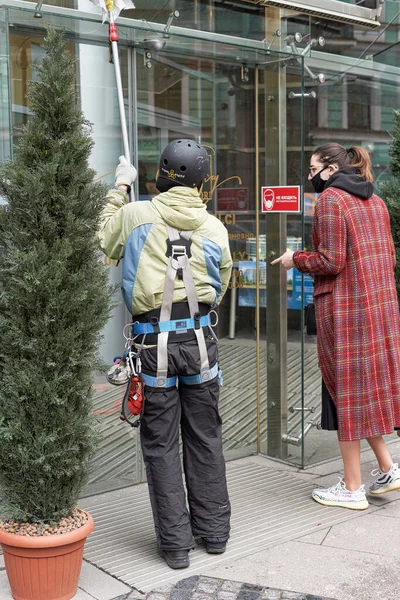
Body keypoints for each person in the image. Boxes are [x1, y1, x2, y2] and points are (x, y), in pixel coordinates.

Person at [98, 141, 232, 568]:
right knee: (205, 436)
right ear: (200, 179)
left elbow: (102, 236)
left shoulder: (137, 214)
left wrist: (120, 185)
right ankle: (214, 533)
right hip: (200, 343)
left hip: (152, 343)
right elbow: (222, 282)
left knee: (160, 443)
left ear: (162, 174)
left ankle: (176, 546)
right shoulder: (214, 229)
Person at [272, 143, 400, 510]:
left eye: (313, 168)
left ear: (330, 168)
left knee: (345, 394)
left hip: (347, 313)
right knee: (364, 394)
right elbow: (388, 257)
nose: (309, 174)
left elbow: (331, 259)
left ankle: (353, 487)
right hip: (378, 310)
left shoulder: (331, 200)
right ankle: (388, 468)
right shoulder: (375, 202)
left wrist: (294, 258)